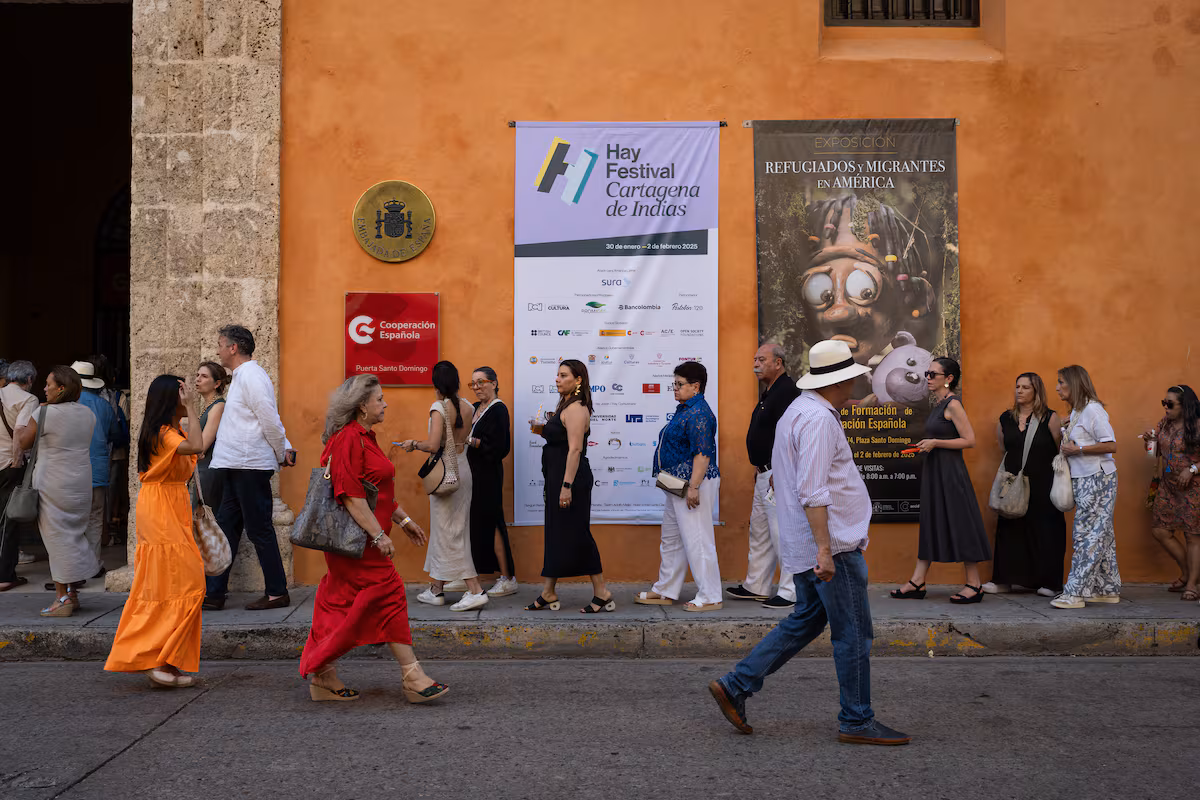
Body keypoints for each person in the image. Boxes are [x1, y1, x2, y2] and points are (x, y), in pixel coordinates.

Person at [707, 339, 910, 745]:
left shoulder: (798, 411)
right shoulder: (817, 420)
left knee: (806, 620)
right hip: (832, 546)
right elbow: (814, 491)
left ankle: (737, 683)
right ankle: (856, 719)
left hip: (810, 543)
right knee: (853, 633)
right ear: (837, 382)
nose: (853, 384)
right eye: (850, 377)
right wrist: (825, 550)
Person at [299, 375, 448, 703]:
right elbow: (350, 496)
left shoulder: (366, 437)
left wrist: (404, 520)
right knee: (390, 592)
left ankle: (322, 674)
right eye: (379, 399)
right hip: (359, 544)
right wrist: (379, 534)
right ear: (362, 406)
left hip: (365, 541)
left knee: (337, 603)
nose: (385, 404)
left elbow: (376, 492)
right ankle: (412, 675)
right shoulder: (349, 438)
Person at [104, 375, 207, 687]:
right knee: (180, 582)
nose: (187, 392)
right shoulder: (163, 432)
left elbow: (195, 447)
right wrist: (191, 406)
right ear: (169, 399)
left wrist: (189, 410)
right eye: (181, 390)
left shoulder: (170, 429)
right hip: (161, 508)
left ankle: (162, 656)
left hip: (170, 504)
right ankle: (151, 656)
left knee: (175, 584)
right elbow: (199, 445)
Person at [204, 324, 296, 611]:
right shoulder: (243, 376)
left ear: (233, 348)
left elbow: (268, 417)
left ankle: (277, 592)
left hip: (249, 465)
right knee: (227, 526)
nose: (218, 349)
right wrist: (284, 446)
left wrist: (282, 450)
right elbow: (259, 419)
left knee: (259, 529)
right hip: (237, 463)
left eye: (221, 344)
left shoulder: (252, 376)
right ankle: (215, 594)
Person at [890, 357, 991, 603]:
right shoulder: (939, 403)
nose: (928, 378)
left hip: (951, 473)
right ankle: (918, 580)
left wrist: (936, 443)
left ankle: (974, 584)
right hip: (936, 471)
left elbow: (969, 440)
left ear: (949, 379)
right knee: (932, 521)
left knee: (961, 522)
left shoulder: (953, 404)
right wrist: (928, 445)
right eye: (927, 373)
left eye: (933, 374)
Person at [525, 359, 613, 614]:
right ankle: (548, 591)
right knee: (555, 532)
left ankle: (602, 591)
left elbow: (575, 450)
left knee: (578, 534)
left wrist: (566, 486)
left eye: (563, 375)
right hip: (557, 478)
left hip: (570, 481)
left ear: (578, 380)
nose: (557, 379)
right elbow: (561, 440)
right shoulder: (565, 405)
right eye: (557, 375)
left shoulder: (576, 408)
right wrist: (545, 431)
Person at [400, 361, 488, 612]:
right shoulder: (469, 406)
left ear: (436, 384)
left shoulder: (438, 407)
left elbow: (433, 445)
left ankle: (475, 589)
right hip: (463, 470)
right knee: (449, 530)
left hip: (445, 475)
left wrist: (413, 444)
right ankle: (436, 589)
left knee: (450, 532)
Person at [636, 360, 722, 612]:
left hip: (693, 484)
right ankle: (665, 589)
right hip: (676, 484)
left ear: (695, 386)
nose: (675, 388)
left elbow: (703, 454)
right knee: (671, 538)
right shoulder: (685, 409)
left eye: (679, 384)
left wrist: (694, 486)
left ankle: (710, 595)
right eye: (674, 383)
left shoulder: (699, 414)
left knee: (698, 538)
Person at [14, 367, 99, 617]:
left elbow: (24, 441)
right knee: (74, 534)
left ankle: (62, 598)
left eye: (48, 384)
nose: (44, 388)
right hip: (81, 481)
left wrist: (28, 419)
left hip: (53, 482)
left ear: (60, 388)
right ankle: (72, 592)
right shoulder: (87, 413)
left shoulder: (43, 412)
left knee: (56, 538)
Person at [726, 343, 800, 609]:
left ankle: (791, 591)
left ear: (778, 363)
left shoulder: (788, 392)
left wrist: (779, 470)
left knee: (782, 534)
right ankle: (756, 585)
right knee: (760, 532)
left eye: (761, 359)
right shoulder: (770, 392)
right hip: (764, 473)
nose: (755, 364)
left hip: (777, 475)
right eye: (755, 359)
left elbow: (792, 436)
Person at [981, 373, 1067, 598]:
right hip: (1013, 483)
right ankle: (1003, 580)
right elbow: (1004, 447)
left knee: (1045, 531)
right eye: (1017, 386)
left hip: (1043, 482)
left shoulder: (1050, 417)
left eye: (1025, 387)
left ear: (1036, 391)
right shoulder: (1006, 418)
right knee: (1009, 529)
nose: (1019, 391)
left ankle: (1049, 582)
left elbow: (1058, 448)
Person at [1052, 365, 1120, 609]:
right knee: (1102, 535)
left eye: (1061, 382)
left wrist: (1077, 449)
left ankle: (1075, 593)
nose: (1057, 387)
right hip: (1085, 479)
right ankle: (1106, 589)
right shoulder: (1079, 411)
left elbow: (1111, 445)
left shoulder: (1093, 410)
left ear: (1074, 383)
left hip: (1097, 478)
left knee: (1086, 535)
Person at [466, 366, 517, 597]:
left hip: (488, 475)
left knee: (495, 524)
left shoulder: (499, 410)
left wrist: (474, 443)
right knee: (475, 526)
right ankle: (469, 575)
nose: (476, 387)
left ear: (494, 383)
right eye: (473, 383)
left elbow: (501, 447)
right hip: (472, 475)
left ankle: (508, 578)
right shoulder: (475, 408)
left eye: (481, 382)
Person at [1145, 385, 1199, 598]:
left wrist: (1193, 469)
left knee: (1193, 536)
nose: (1165, 407)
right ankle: (1188, 573)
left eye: (1170, 404)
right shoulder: (1164, 424)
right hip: (1168, 486)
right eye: (1164, 403)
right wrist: (1149, 442)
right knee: (1160, 530)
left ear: (1185, 406)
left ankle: (1192, 585)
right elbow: (1155, 452)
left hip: (1193, 488)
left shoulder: (1196, 425)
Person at [73, 360, 126, 571]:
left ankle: (73, 569)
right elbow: (116, 435)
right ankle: (92, 565)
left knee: (72, 520)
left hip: (72, 471)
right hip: (98, 469)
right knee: (95, 519)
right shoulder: (104, 406)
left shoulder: (67, 404)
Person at [0, 361, 39, 591]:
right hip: (8, 465)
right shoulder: (28, 399)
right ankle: (5, 575)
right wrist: (16, 462)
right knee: (8, 520)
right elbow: (20, 431)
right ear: (30, 380)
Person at [90, 353, 130, 547]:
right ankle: (106, 534)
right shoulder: (112, 396)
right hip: (110, 452)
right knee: (105, 497)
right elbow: (117, 427)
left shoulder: (75, 396)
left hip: (86, 455)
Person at [190, 361, 228, 512]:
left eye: (204, 376)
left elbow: (202, 445)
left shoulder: (218, 406)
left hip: (209, 472)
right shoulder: (208, 406)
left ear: (217, 383)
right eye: (197, 375)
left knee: (205, 521)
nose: (198, 379)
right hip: (201, 470)